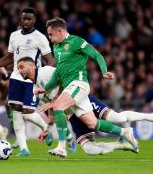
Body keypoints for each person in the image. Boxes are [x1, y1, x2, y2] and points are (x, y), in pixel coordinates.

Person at [34, 17, 138, 157]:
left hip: (79, 84)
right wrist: (45, 89)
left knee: (58, 106)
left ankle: (61, 147)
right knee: (92, 123)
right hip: (69, 88)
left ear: (60, 31)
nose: (50, 38)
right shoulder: (57, 47)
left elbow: (96, 54)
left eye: (51, 34)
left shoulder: (76, 41)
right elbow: (58, 73)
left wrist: (104, 71)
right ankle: (125, 132)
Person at [17, 56, 139, 158]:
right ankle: (121, 144)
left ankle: (128, 129)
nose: (20, 71)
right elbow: (52, 111)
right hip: (71, 113)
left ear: (32, 65)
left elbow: (66, 81)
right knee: (89, 149)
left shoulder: (46, 71)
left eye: (21, 67)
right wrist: (48, 129)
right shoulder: (36, 90)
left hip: (78, 100)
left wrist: (54, 102)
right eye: (18, 69)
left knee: (109, 119)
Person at [0, 7, 55, 156]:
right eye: (24, 18)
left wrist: (44, 79)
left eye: (29, 19)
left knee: (27, 112)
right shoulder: (14, 36)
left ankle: (46, 128)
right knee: (16, 111)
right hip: (15, 77)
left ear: (34, 20)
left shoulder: (40, 37)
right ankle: (24, 148)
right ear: (21, 18)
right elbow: (9, 58)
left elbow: (50, 61)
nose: (26, 21)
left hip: (32, 79)